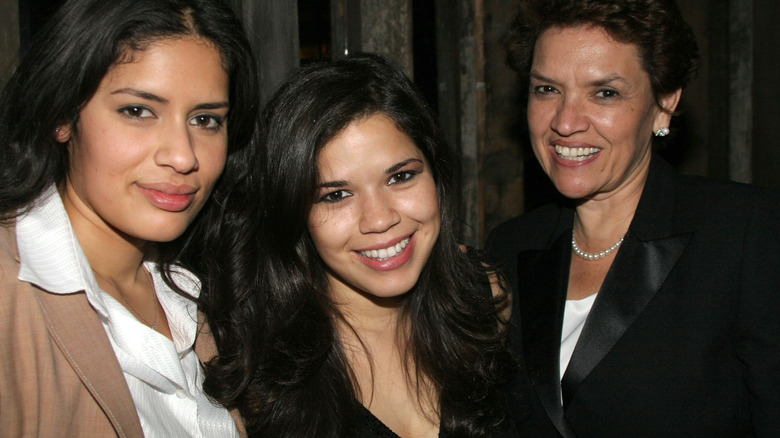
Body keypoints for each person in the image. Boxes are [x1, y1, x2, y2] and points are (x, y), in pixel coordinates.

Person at [485, 0, 780, 437]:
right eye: (547, 89)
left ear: (664, 103)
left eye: (605, 92)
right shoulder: (510, 246)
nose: (565, 122)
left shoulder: (745, 232)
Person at [199, 53, 515, 438]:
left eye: (400, 177)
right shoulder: (249, 368)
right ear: (294, 211)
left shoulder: (486, 299)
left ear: (436, 174)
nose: (379, 219)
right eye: (335, 196)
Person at [0, 0, 259, 436]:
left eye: (205, 119)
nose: (182, 155)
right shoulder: (11, 298)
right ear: (62, 116)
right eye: (138, 111)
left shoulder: (203, 284)